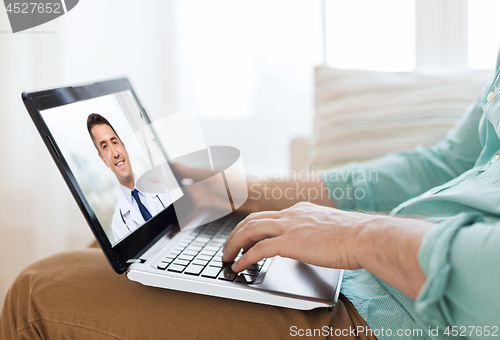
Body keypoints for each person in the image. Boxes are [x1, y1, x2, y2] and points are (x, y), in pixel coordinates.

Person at [2, 55, 500, 340]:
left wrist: (356, 234)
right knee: (136, 249)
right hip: (385, 276)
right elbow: (446, 165)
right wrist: (251, 191)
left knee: (37, 291)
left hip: (416, 320)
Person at [86, 113, 172, 243]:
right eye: (105, 147)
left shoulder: (163, 188)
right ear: (103, 159)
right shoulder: (118, 225)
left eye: (114, 142)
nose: (115, 153)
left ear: (124, 147)